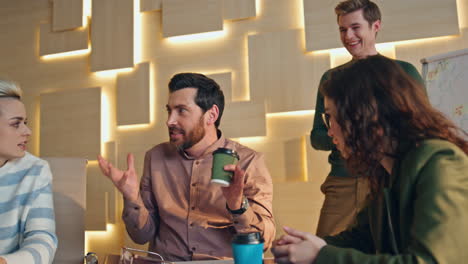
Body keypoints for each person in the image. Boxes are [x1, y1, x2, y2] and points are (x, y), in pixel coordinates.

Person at [272, 55, 468, 263]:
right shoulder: (385, 172)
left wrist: (321, 255)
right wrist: (307, 245)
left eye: (331, 117)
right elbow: (363, 237)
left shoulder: (440, 162)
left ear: (364, 115)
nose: (329, 132)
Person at [98, 73, 275, 261]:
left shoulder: (248, 162)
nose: (169, 121)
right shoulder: (155, 157)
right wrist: (132, 197)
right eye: (169, 111)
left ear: (211, 115)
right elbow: (141, 236)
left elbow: (265, 241)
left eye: (181, 110)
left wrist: (237, 206)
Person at [310, 0, 426, 237]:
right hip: (345, 181)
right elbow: (317, 137)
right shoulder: (332, 78)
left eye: (355, 27)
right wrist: (351, 136)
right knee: (326, 248)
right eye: (343, 30)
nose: (348, 36)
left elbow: (421, 129)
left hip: (394, 178)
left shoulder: (403, 72)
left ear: (376, 26)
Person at [0, 80, 58, 264]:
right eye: (16, 124)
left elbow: (43, 240)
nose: (28, 131)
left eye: (25, 122)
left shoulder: (35, 171)